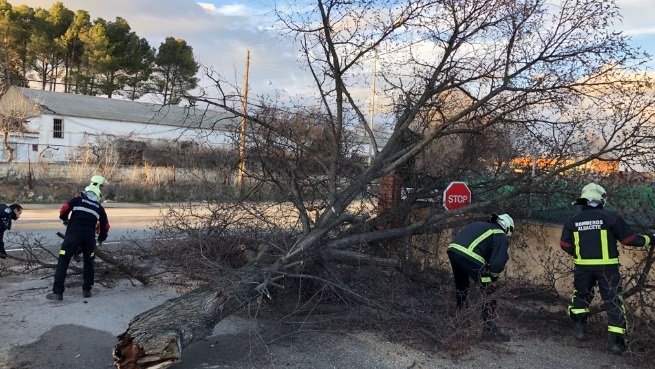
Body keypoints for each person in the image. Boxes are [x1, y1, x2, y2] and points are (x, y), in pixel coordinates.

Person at [560, 183, 654, 354]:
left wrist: (579, 254)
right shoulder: (611, 217)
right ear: (601, 198)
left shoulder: (572, 221)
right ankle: (615, 344)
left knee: (581, 297)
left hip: (583, 267)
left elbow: (564, 244)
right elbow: (630, 239)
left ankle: (580, 331)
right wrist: (650, 238)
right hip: (607, 268)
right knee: (613, 301)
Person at [447, 213, 514, 342]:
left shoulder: (480, 225)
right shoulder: (500, 235)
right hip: (470, 257)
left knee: (462, 288)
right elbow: (497, 263)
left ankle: (460, 322)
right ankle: (490, 330)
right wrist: (493, 280)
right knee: (489, 292)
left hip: (454, 251)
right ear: (508, 228)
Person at [46, 185, 109, 301]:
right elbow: (105, 226)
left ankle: (57, 293)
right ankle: (87, 290)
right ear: (97, 197)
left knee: (63, 261)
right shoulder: (99, 208)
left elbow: (65, 208)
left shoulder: (77, 200)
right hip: (89, 238)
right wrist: (101, 238)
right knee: (89, 262)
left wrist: (64, 218)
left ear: (85, 193)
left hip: (72, 235)